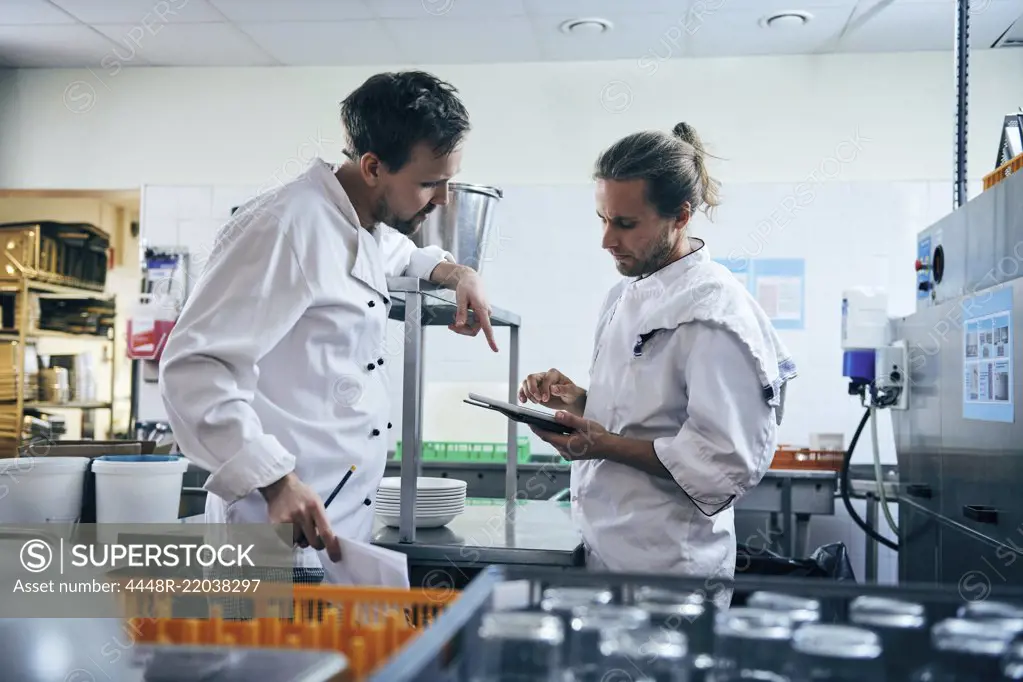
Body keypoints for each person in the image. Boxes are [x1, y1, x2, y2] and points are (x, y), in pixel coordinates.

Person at [160, 71, 497, 588]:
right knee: (260, 666)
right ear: (372, 166)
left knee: (333, 666)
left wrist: (458, 273)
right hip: (270, 524)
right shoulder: (284, 226)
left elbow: (402, 255)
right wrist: (273, 482)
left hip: (336, 522)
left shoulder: (361, 224)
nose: (444, 198)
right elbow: (193, 368)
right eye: (430, 183)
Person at [519, 123, 796, 610]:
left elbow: (722, 460)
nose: (607, 239)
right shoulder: (624, 294)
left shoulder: (714, 311)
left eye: (625, 224)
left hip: (671, 570)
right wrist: (578, 401)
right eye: (602, 218)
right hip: (607, 552)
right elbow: (642, 411)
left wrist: (600, 443)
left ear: (681, 216)